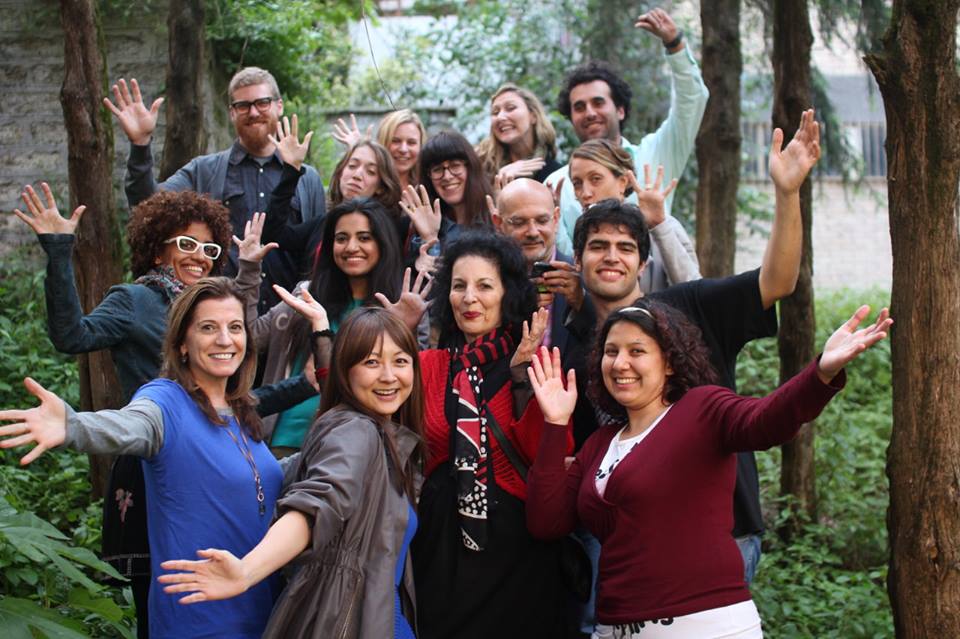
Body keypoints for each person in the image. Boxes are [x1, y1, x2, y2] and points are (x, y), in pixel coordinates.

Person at [563, 110, 821, 595]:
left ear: (643, 262)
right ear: (578, 260)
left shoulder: (691, 308)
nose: (611, 256)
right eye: (597, 247)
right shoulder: (571, 337)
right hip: (620, 542)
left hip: (721, 532)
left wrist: (787, 193)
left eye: (625, 247)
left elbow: (778, 281)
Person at [525, 301, 892, 638]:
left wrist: (821, 373)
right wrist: (556, 423)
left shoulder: (701, 409)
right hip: (614, 627)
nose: (620, 363)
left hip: (706, 625)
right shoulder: (600, 443)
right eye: (611, 352)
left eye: (637, 351)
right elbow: (546, 521)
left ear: (668, 362)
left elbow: (767, 420)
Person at [12, 183, 273, 638]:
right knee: (167, 585)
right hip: (148, 450)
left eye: (209, 247)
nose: (199, 255)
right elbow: (73, 336)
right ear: (157, 250)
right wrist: (59, 251)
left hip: (210, 455)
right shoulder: (136, 302)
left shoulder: (218, 333)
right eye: (186, 244)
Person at [156, 307, 425, 638]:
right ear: (346, 371)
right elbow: (316, 506)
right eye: (371, 362)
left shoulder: (387, 437)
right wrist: (245, 571)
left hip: (381, 619)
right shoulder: (355, 431)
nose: (388, 376)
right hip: (346, 623)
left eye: (400, 361)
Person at [402, 231, 570, 639]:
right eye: (459, 286)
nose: (469, 298)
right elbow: (360, 402)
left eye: (484, 285)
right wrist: (396, 331)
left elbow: (550, 458)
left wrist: (522, 382)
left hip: (519, 555)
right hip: (441, 550)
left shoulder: (535, 364)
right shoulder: (427, 366)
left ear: (507, 294)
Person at [105, 68, 326, 312]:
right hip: (220, 318)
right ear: (232, 112)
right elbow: (148, 208)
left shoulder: (307, 179)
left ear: (279, 106)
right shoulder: (204, 171)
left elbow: (317, 255)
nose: (253, 112)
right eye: (243, 105)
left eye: (262, 103)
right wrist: (140, 145)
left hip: (289, 321)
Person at [546, 8, 709, 255]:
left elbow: (692, 102)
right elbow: (564, 258)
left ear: (620, 110)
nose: (589, 112)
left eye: (598, 103)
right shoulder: (556, 183)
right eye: (579, 107)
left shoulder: (656, 154)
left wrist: (675, 45)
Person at [250, 198, 406, 454]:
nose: (351, 247)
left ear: (383, 243)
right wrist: (249, 270)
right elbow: (250, 339)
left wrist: (406, 327)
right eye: (341, 238)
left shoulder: (397, 307)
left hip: (348, 449)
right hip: (279, 443)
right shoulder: (306, 295)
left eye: (364, 237)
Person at [568, 138, 700, 291]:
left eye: (596, 179)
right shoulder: (582, 232)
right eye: (577, 183)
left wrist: (660, 228)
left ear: (623, 182)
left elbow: (693, 289)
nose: (585, 193)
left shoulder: (661, 226)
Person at [490, 178, 582, 358]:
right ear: (498, 223)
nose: (532, 232)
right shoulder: (485, 282)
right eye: (519, 222)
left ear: (556, 219)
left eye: (542, 220)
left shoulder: (583, 279)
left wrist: (581, 302)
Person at [399, 131, 494, 258]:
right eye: (437, 169)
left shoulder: (493, 216)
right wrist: (429, 238)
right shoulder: (422, 223)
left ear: (470, 167)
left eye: (455, 166)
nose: (447, 177)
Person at [476, 83, 561, 186]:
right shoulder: (481, 168)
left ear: (533, 116)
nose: (500, 117)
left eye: (510, 108)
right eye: (495, 112)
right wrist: (499, 180)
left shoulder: (555, 175)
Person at [333, 109, 428, 191]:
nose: (403, 149)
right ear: (383, 141)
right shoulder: (367, 184)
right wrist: (359, 151)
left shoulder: (428, 186)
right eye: (395, 141)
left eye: (411, 142)